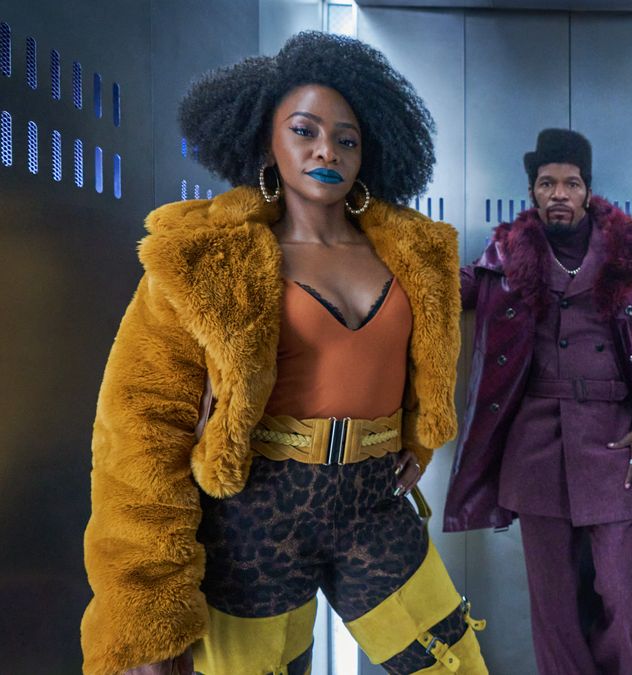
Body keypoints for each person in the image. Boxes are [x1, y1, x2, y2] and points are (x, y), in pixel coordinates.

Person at [80, 32, 486, 675]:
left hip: (373, 505)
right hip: (255, 514)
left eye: (347, 138)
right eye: (304, 130)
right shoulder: (206, 258)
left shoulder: (414, 253)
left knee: (455, 666)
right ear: (266, 140)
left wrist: (416, 436)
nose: (327, 148)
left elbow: (425, 369)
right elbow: (138, 427)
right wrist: (144, 611)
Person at [444, 128, 632, 675]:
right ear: (531, 192)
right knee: (552, 606)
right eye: (547, 183)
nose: (559, 193)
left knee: (622, 597)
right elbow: (456, 292)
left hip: (618, 439)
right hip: (536, 443)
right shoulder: (506, 253)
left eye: (570, 183)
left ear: (588, 191)